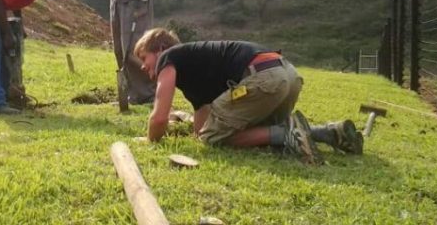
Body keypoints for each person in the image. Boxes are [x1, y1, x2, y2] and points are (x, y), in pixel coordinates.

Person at [133, 28, 363, 164]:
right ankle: (328, 132)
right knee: (236, 132)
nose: (143, 67)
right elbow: (202, 125)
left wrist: (151, 139)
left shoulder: (169, 58)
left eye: (144, 58)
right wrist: (196, 132)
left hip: (263, 78)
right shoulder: (194, 66)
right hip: (286, 74)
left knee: (215, 139)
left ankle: (285, 134)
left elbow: (159, 117)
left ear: (161, 49)